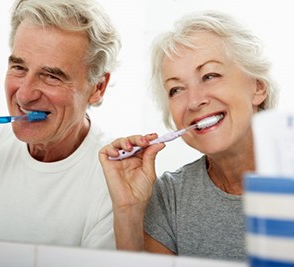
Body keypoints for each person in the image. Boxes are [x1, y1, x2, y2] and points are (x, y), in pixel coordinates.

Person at [99, 10, 278, 261]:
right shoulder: (169, 196)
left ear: (258, 87)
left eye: (210, 75)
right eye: (176, 89)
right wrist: (128, 211)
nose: (193, 102)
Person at [0, 0, 121, 249]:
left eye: (51, 76)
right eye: (19, 67)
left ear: (98, 87)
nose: (24, 95)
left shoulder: (115, 182)